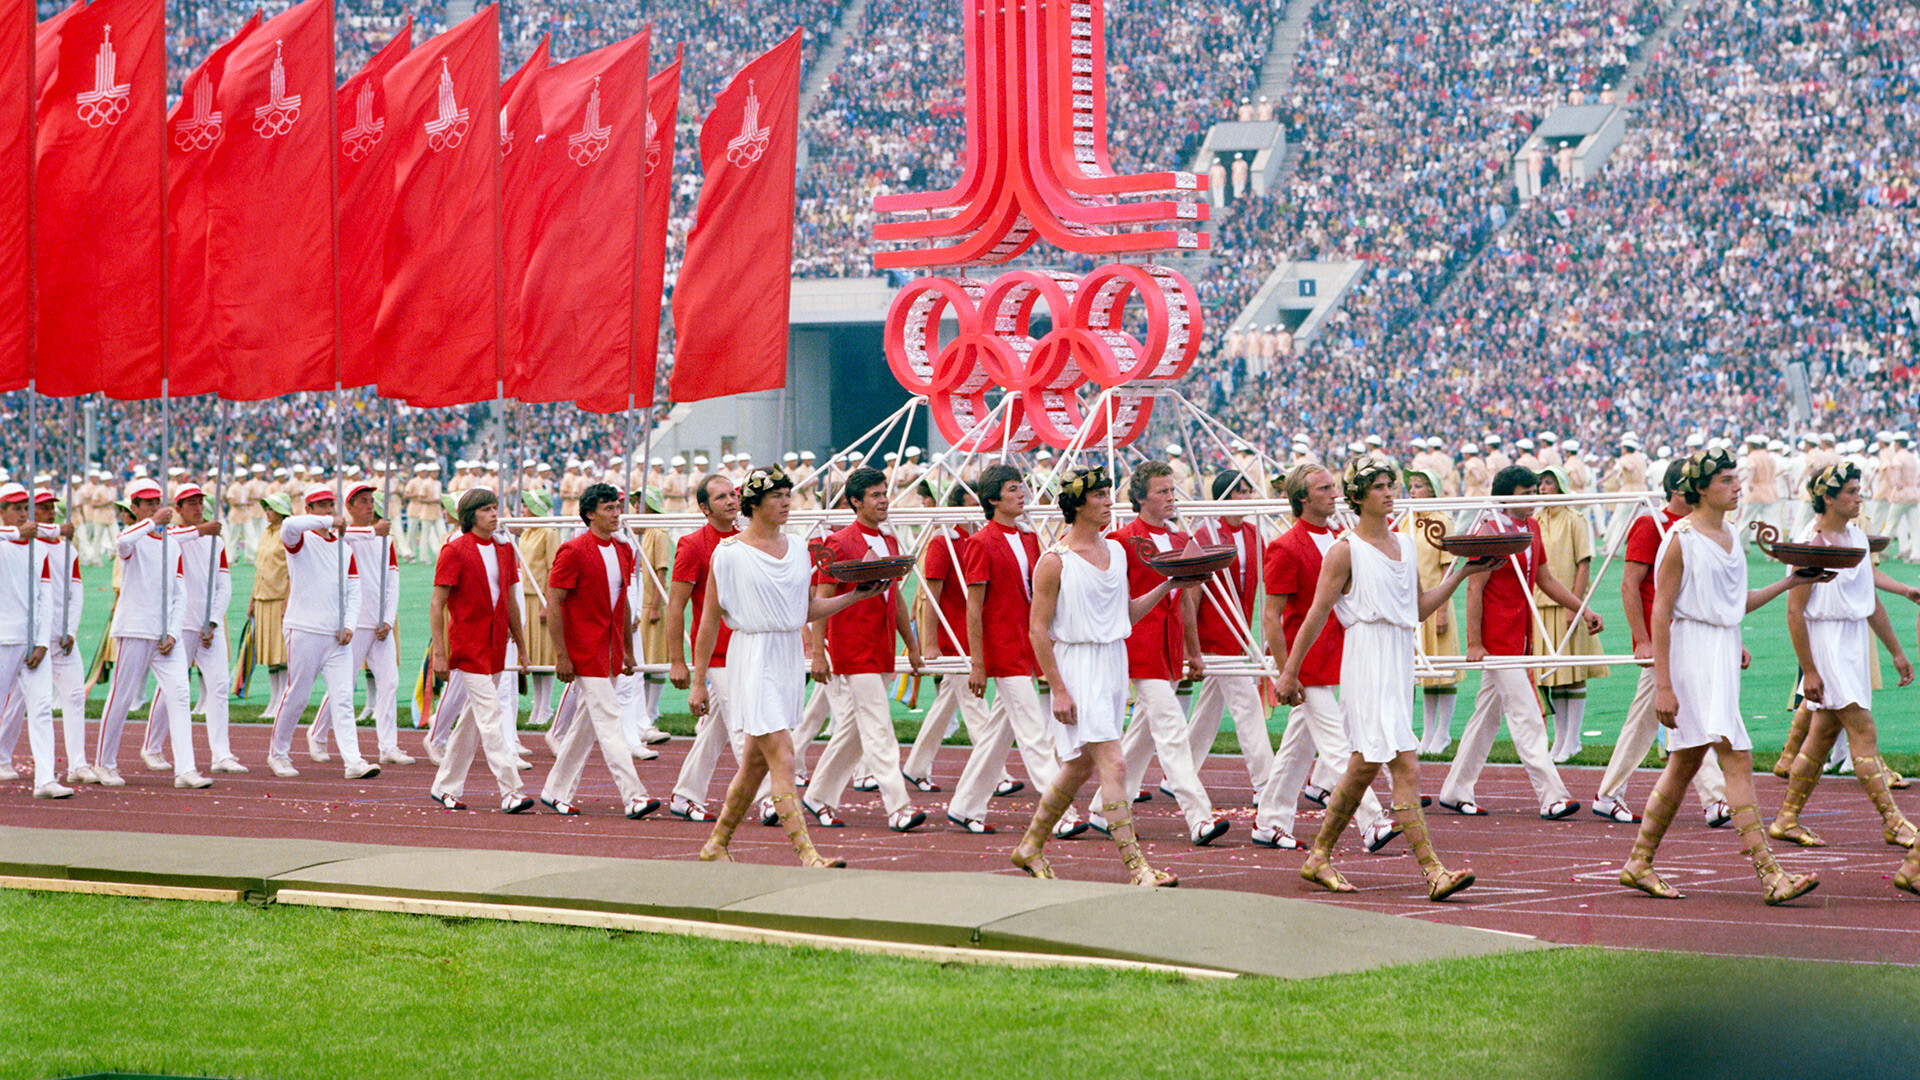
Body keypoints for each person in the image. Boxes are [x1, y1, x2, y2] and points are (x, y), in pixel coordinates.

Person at [1275, 456, 1490, 900]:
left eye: (1391, 484)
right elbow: (1315, 616)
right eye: (1379, 486)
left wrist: (1461, 572)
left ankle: (1318, 856)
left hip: (1396, 659)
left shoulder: (1406, 545)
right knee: (1402, 763)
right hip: (1366, 660)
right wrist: (1288, 672)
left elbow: (1416, 609)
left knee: (1362, 768)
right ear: (1358, 497)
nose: (1390, 492)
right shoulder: (1344, 550)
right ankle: (1433, 871)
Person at [1619, 448, 1820, 906]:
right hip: (1692, 656)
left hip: (1720, 652)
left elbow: (1735, 602)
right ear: (1703, 489)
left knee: (1685, 763)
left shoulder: (1730, 533)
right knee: (1736, 755)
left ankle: (1638, 862)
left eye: (1736, 478)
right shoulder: (1681, 539)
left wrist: (1792, 581)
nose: (1736, 486)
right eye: (1727, 480)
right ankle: (1769, 873)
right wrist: (1664, 685)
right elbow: (1662, 613)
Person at [1007, 466, 1198, 885]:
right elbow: (1037, 629)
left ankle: (1029, 847)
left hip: (1113, 661)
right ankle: (1137, 868)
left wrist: (1169, 585)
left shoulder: (1115, 552)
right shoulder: (1054, 562)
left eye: (1109, 494)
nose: (1109, 501)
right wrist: (1057, 688)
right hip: (1077, 666)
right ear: (1078, 505)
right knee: (1114, 763)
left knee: (1077, 767)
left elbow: (1124, 614)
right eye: (1099, 496)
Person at [690, 467, 882, 866]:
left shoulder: (797, 547)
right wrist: (698, 680)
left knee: (754, 764)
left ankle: (716, 844)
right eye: (776, 496)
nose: (785, 502)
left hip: (786, 655)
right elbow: (709, 619)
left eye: (787, 495)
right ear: (754, 504)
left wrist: (856, 597)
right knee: (783, 754)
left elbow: (806, 608)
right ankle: (807, 854)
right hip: (752, 656)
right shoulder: (728, 554)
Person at [1767, 462, 1915, 850]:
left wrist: (1896, 652)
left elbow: (1868, 601)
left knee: (1820, 738)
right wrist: (1810, 671)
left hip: (1851, 640)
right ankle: (1893, 821)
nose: (1858, 497)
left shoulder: (1856, 538)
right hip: (1827, 643)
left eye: (1858, 490)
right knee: (1863, 730)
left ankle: (1786, 818)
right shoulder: (1810, 544)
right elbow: (1794, 612)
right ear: (1827, 498)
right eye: (1850, 491)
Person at [1250, 463, 1395, 851]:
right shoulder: (1285, 546)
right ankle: (1372, 820)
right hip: (1307, 665)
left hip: (1340, 657)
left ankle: (1268, 822)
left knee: (1297, 750)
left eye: (1334, 487)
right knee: (1339, 745)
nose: (1335, 493)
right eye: (1324, 488)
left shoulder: (1340, 539)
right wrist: (1286, 672)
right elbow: (1271, 615)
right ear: (1303, 498)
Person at [1436, 465, 1593, 820]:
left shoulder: (1532, 528)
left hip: (1521, 637)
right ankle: (1552, 795)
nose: (1535, 498)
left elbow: (1545, 579)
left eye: (1537, 491)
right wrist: (1475, 643)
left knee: (1486, 719)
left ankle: (1455, 788)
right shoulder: (1488, 529)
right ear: (1507, 495)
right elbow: (1474, 588)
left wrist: (1582, 609)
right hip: (1496, 640)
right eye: (1527, 493)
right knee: (1527, 716)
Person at [1097, 461, 1229, 846]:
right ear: (1139, 497)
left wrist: (1194, 650)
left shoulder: (1182, 537)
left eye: (1173, 491)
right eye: (1162, 492)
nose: (1171, 498)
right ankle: (1199, 817)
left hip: (1169, 650)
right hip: (1137, 648)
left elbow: (1186, 599)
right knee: (1171, 729)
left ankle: (1101, 811)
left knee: (1141, 736)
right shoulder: (1121, 540)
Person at [1592, 462, 1730, 826]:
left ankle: (1609, 794)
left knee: (1666, 717)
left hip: (1692, 635)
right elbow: (1629, 584)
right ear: (1679, 488)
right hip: (1663, 638)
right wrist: (1641, 639)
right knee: (1681, 715)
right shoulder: (1650, 524)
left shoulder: (1699, 529)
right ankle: (1715, 798)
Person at [946, 465, 1078, 836]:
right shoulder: (980, 543)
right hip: (1003, 651)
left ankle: (965, 806)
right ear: (993, 499)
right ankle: (1060, 814)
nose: (1022, 494)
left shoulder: (1030, 538)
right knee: (1034, 735)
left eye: (1021, 487)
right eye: (1012, 489)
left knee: (996, 737)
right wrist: (977, 662)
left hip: (1027, 646)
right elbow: (975, 607)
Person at [802, 466, 928, 832]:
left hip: (882, 646)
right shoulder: (838, 543)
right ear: (855, 502)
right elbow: (821, 599)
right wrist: (818, 653)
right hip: (852, 651)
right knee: (878, 727)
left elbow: (897, 600)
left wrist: (912, 646)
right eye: (874, 495)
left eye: (884, 492)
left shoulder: (889, 541)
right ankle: (898, 807)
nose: (884, 499)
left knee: (855, 733)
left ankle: (818, 796)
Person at [536, 482, 660, 819]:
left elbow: (621, 607)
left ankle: (555, 790)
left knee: (585, 726)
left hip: (611, 650)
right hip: (584, 652)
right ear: (590, 514)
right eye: (608, 508)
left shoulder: (623, 551)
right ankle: (634, 795)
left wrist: (630, 651)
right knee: (609, 719)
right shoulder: (572, 551)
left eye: (618, 507)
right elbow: (555, 603)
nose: (616, 513)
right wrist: (562, 655)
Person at [95, 479, 210, 789]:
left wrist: (173, 630)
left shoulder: (171, 545)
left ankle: (186, 769)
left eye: (156, 502)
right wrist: (150, 523)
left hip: (164, 637)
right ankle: (104, 763)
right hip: (133, 627)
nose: (153, 507)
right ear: (133, 507)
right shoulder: (131, 539)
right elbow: (122, 543)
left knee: (180, 694)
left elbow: (179, 592)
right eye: (145, 503)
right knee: (121, 696)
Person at [427, 487, 534, 812]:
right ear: (470, 515)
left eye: (494, 507)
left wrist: (523, 647)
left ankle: (444, 786)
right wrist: (440, 654)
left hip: (497, 645)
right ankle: (511, 789)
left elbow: (512, 602)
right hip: (468, 647)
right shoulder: (455, 550)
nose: (494, 514)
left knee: (472, 722)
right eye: (487, 509)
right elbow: (437, 604)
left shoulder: (504, 550)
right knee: (491, 716)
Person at [266, 484, 380, 781]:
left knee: (343, 696)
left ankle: (353, 761)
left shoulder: (344, 547)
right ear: (310, 510)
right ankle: (278, 753)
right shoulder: (299, 538)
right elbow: (289, 523)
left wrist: (350, 624)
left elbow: (354, 589)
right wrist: (329, 522)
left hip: (336, 635)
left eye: (331, 505)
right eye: (321, 506)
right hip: (303, 629)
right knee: (298, 695)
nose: (328, 511)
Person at [139, 484, 245, 775]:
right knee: (173, 687)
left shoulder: (216, 543)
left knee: (220, 686)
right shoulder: (170, 537)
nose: (198, 508)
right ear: (179, 509)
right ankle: (151, 746)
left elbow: (224, 585)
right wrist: (204, 530)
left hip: (208, 624)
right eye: (192, 504)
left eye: (201, 502)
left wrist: (212, 620)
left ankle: (221, 754)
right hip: (180, 623)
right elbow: (178, 537)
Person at [1184, 470, 1277, 794]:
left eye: (1249, 491)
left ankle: (1178, 773)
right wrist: (1190, 643)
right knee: (1247, 705)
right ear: (1223, 498)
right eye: (1240, 492)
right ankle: (1266, 782)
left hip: (1238, 637)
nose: (1247, 498)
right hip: (1212, 637)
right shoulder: (1205, 535)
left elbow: (1268, 581)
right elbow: (1192, 592)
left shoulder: (1254, 534)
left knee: (1208, 711)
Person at [664, 474, 741, 822]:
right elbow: (675, 606)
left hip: (747, 648)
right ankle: (773, 797)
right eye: (721, 496)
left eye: (733, 494)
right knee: (743, 724)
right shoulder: (692, 545)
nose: (730, 501)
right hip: (715, 654)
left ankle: (685, 795)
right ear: (704, 507)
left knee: (719, 729)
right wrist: (678, 662)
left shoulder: (747, 541)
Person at [318, 481, 411, 765]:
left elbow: (392, 581)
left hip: (379, 622)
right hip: (354, 622)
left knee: (389, 682)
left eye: (372, 500)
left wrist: (387, 619)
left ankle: (388, 746)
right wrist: (373, 531)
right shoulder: (342, 534)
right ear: (349, 507)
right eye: (364, 501)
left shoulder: (386, 539)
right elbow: (345, 535)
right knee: (344, 684)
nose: (370, 506)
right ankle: (318, 733)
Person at [901, 482, 978, 799]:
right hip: (951, 639)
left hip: (968, 635)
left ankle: (916, 766)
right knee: (976, 706)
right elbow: (929, 597)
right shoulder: (942, 542)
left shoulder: (972, 539)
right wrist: (929, 643)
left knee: (948, 704)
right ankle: (995, 773)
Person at [1532, 466, 1608, 763]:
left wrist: (1574, 605)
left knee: (1573, 673)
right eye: (1541, 483)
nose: (1543, 489)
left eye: (1548, 483)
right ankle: (1560, 739)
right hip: (1540, 604)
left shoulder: (1575, 518)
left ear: (1560, 486)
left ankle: (1573, 739)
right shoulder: (1535, 520)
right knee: (1553, 676)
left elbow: (1583, 564)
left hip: (1568, 605)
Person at [0, 485, 64, 797]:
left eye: (26, 508)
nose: (24, 514)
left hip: (31, 642)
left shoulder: (39, 549)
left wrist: (41, 640)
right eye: (16, 509)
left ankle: (45, 780)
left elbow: (45, 598)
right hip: (3, 638)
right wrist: (13, 533)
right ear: (2, 513)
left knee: (41, 708)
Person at [1402, 469, 1462, 754]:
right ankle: (1427, 732)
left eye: (1419, 486)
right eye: (1411, 486)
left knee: (1442, 669)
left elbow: (1445, 567)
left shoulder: (1442, 521)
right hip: (1411, 605)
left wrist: (1441, 611)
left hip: (1437, 600)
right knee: (1423, 673)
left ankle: (1444, 731)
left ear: (1432, 490)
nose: (1412, 491)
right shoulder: (1406, 521)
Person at [251, 492, 293, 712]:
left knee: (281, 652)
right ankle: (273, 698)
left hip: (279, 597)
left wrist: (288, 600)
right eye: (266, 508)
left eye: (272, 508)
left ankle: (282, 700)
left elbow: (291, 570)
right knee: (268, 653)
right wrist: (252, 599)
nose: (268, 512)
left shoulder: (287, 533)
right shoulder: (266, 533)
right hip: (262, 597)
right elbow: (260, 568)